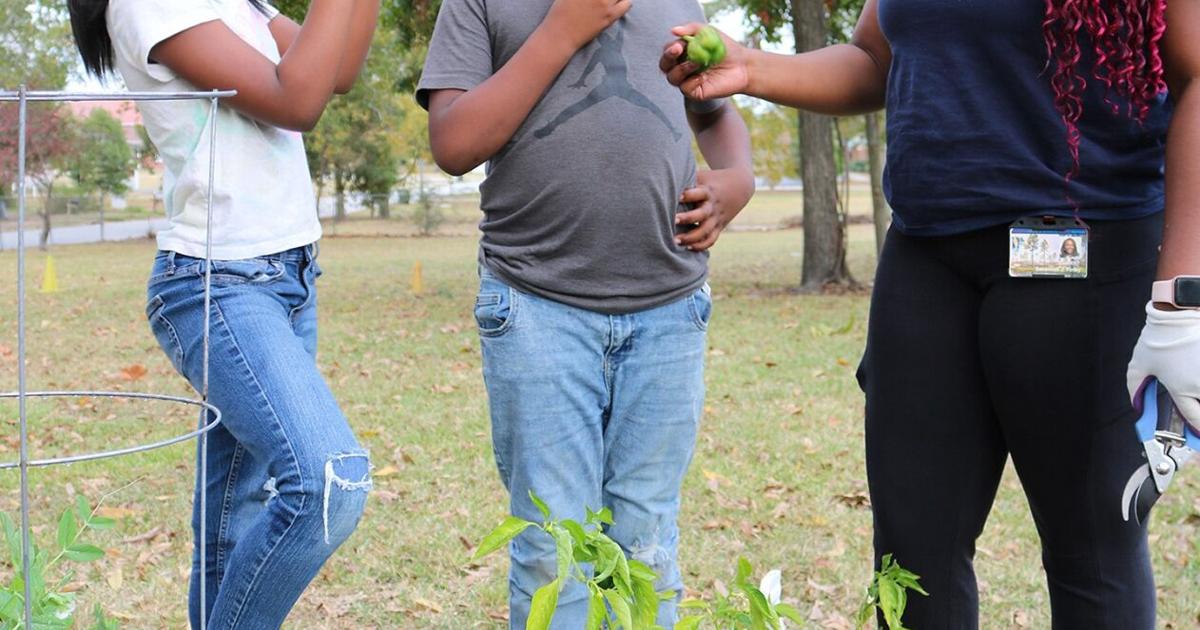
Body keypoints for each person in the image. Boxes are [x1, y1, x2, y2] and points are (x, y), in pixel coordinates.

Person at [661, 1, 1199, 628]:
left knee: (1093, 554)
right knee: (911, 559)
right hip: (927, 258)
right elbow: (872, 58)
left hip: (1084, 253)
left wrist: (1181, 298)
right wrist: (749, 65)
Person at [417, 0, 754, 626]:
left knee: (646, 541)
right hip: (535, 305)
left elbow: (712, 106)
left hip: (669, 310)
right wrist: (565, 27)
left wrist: (738, 179)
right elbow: (454, 143)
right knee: (555, 545)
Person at [67, 0, 379, 627]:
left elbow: (337, 69)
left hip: (288, 274)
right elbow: (298, 101)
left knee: (233, 524)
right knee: (328, 480)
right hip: (218, 283)